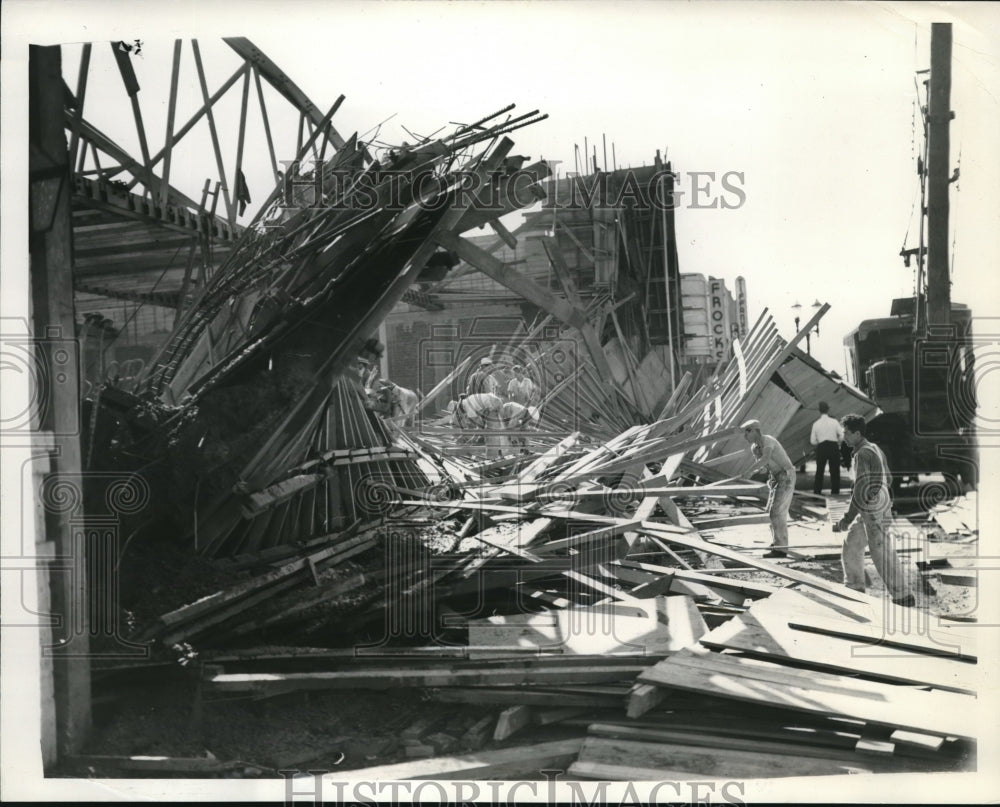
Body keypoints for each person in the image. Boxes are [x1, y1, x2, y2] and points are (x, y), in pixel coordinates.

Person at [833, 414, 915, 606]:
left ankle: (903, 596)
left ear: (857, 433)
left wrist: (847, 518)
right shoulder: (874, 448)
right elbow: (889, 478)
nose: (843, 437)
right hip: (879, 504)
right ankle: (855, 587)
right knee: (852, 543)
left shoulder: (863, 454)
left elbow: (861, 491)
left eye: (846, 433)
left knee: (880, 552)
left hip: (872, 507)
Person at [741, 419, 796, 558]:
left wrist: (749, 471)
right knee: (770, 513)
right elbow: (763, 468)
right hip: (775, 478)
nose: (744, 436)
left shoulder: (768, 440)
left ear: (755, 430)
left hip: (786, 475)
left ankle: (781, 548)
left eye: (747, 432)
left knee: (777, 512)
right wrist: (753, 472)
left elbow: (765, 459)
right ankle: (777, 543)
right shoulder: (755, 448)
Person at [810, 401, 844, 495]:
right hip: (833, 446)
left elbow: (812, 441)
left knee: (819, 471)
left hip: (822, 447)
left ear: (819, 411)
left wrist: (820, 442)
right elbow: (841, 435)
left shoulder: (816, 424)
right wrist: (837, 443)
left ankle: (816, 494)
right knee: (835, 472)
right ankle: (835, 493)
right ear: (828, 410)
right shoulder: (834, 422)